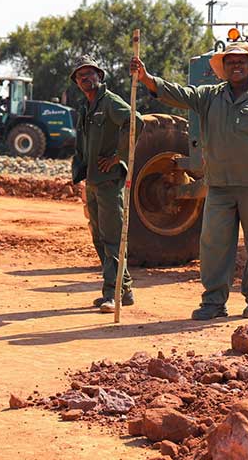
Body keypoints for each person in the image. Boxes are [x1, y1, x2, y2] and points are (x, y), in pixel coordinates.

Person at [130, 43, 248, 320]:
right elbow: (180, 95)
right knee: (213, 243)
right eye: (230, 62)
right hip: (219, 185)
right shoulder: (210, 97)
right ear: (223, 68)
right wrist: (148, 80)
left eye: (240, 62)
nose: (235, 66)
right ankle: (213, 301)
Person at [70, 55, 142, 313]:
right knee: (99, 238)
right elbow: (81, 145)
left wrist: (118, 157)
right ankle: (126, 288)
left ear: (99, 76)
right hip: (91, 181)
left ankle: (111, 293)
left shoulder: (110, 102)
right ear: (77, 82)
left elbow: (137, 122)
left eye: (89, 74)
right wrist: (77, 175)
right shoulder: (84, 106)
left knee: (112, 238)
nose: (85, 79)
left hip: (109, 181)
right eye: (80, 76)